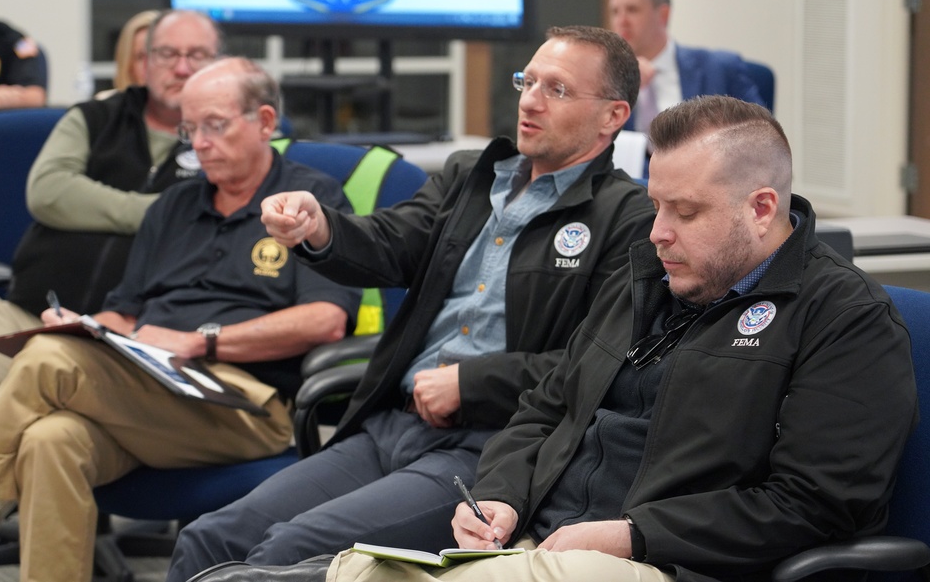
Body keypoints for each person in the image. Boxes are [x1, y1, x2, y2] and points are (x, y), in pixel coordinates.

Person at [317, 95, 918, 582]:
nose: (658, 233)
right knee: (360, 573)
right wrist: (500, 494)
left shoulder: (844, 317)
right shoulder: (647, 281)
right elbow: (545, 408)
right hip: (543, 540)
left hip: (674, 563)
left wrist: (633, 535)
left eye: (685, 212)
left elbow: (814, 506)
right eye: (656, 205)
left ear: (761, 209)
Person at [167, 25, 658, 581]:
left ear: (613, 116)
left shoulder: (628, 218)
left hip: (485, 449)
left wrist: (471, 381)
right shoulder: (472, 176)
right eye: (528, 81)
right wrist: (319, 225)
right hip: (389, 426)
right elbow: (390, 242)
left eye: (558, 90)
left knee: (284, 551)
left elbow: (594, 366)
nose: (531, 100)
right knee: (210, 537)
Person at [0, 56, 361, 582]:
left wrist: (199, 341)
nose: (199, 143)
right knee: (52, 438)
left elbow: (325, 321)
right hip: (151, 383)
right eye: (190, 129)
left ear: (265, 122)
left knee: (47, 360)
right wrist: (84, 326)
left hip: (244, 404)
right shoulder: (173, 207)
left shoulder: (307, 201)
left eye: (215, 126)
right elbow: (124, 309)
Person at [0, 9, 220, 559]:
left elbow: (212, 226)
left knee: (32, 420)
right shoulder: (95, 118)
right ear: (143, 60)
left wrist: (100, 204)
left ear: (217, 65)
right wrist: (153, 211)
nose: (179, 67)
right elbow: (49, 192)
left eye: (196, 56)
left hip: (124, 346)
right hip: (29, 314)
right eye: (166, 54)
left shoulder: (226, 137)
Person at [608, 0, 765, 134]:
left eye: (632, 10)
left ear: (663, 15)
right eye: (615, 12)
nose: (621, 21)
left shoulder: (720, 68)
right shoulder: (609, 79)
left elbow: (762, 134)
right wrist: (624, 86)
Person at [95, 8, 160, 99]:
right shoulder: (106, 107)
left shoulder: (184, 107)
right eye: (140, 57)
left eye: (160, 55)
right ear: (128, 64)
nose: (149, 65)